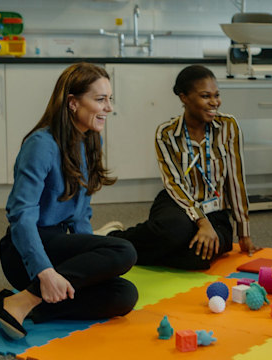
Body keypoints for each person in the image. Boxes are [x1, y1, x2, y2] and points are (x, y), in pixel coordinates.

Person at [0, 63, 138, 340]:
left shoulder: (90, 140)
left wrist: (92, 263)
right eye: (100, 99)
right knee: (124, 251)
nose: (109, 108)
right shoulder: (41, 145)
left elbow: (81, 215)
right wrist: (44, 272)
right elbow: (21, 217)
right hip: (25, 252)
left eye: (110, 99)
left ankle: (11, 304)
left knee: (124, 295)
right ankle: (27, 299)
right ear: (72, 102)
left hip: (61, 245)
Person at [98, 64, 260, 270]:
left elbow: (236, 180)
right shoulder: (166, 133)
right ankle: (112, 240)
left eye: (216, 95)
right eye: (205, 96)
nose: (214, 102)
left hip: (216, 211)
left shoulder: (229, 126)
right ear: (184, 97)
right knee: (176, 229)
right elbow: (173, 183)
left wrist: (244, 232)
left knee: (200, 257)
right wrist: (202, 222)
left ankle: (130, 253)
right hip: (177, 203)